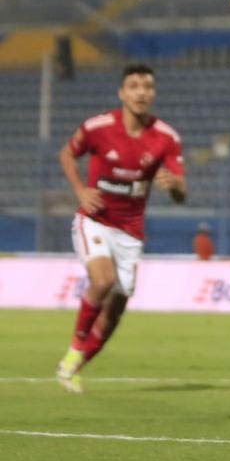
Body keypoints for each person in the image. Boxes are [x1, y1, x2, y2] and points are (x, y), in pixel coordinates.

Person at [55, 64, 186, 393]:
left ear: (154, 94)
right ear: (122, 93)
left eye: (147, 86)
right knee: (103, 280)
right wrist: (80, 191)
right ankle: (74, 349)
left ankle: (73, 367)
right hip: (95, 220)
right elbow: (67, 154)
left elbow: (181, 193)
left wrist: (174, 186)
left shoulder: (166, 138)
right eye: (134, 86)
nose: (141, 92)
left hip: (130, 232)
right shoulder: (98, 127)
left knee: (115, 311)